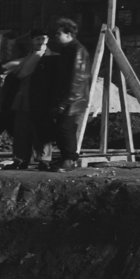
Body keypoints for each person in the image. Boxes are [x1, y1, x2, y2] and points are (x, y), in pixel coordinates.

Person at [42, 17, 91, 171]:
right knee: (62, 129)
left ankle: (70, 160)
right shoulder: (69, 50)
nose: (56, 36)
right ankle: (65, 158)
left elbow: (76, 79)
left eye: (58, 33)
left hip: (73, 100)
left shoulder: (77, 51)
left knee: (65, 128)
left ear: (68, 34)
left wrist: (64, 102)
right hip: (69, 99)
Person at [0, 30, 49, 168]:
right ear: (32, 41)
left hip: (40, 102)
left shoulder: (51, 58)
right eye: (38, 39)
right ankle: (20, 160)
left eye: (44, 39)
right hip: (22, 101)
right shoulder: (26, 59)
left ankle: (43, 160)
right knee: (21, 132)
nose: (41, 42)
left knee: (41, 132)